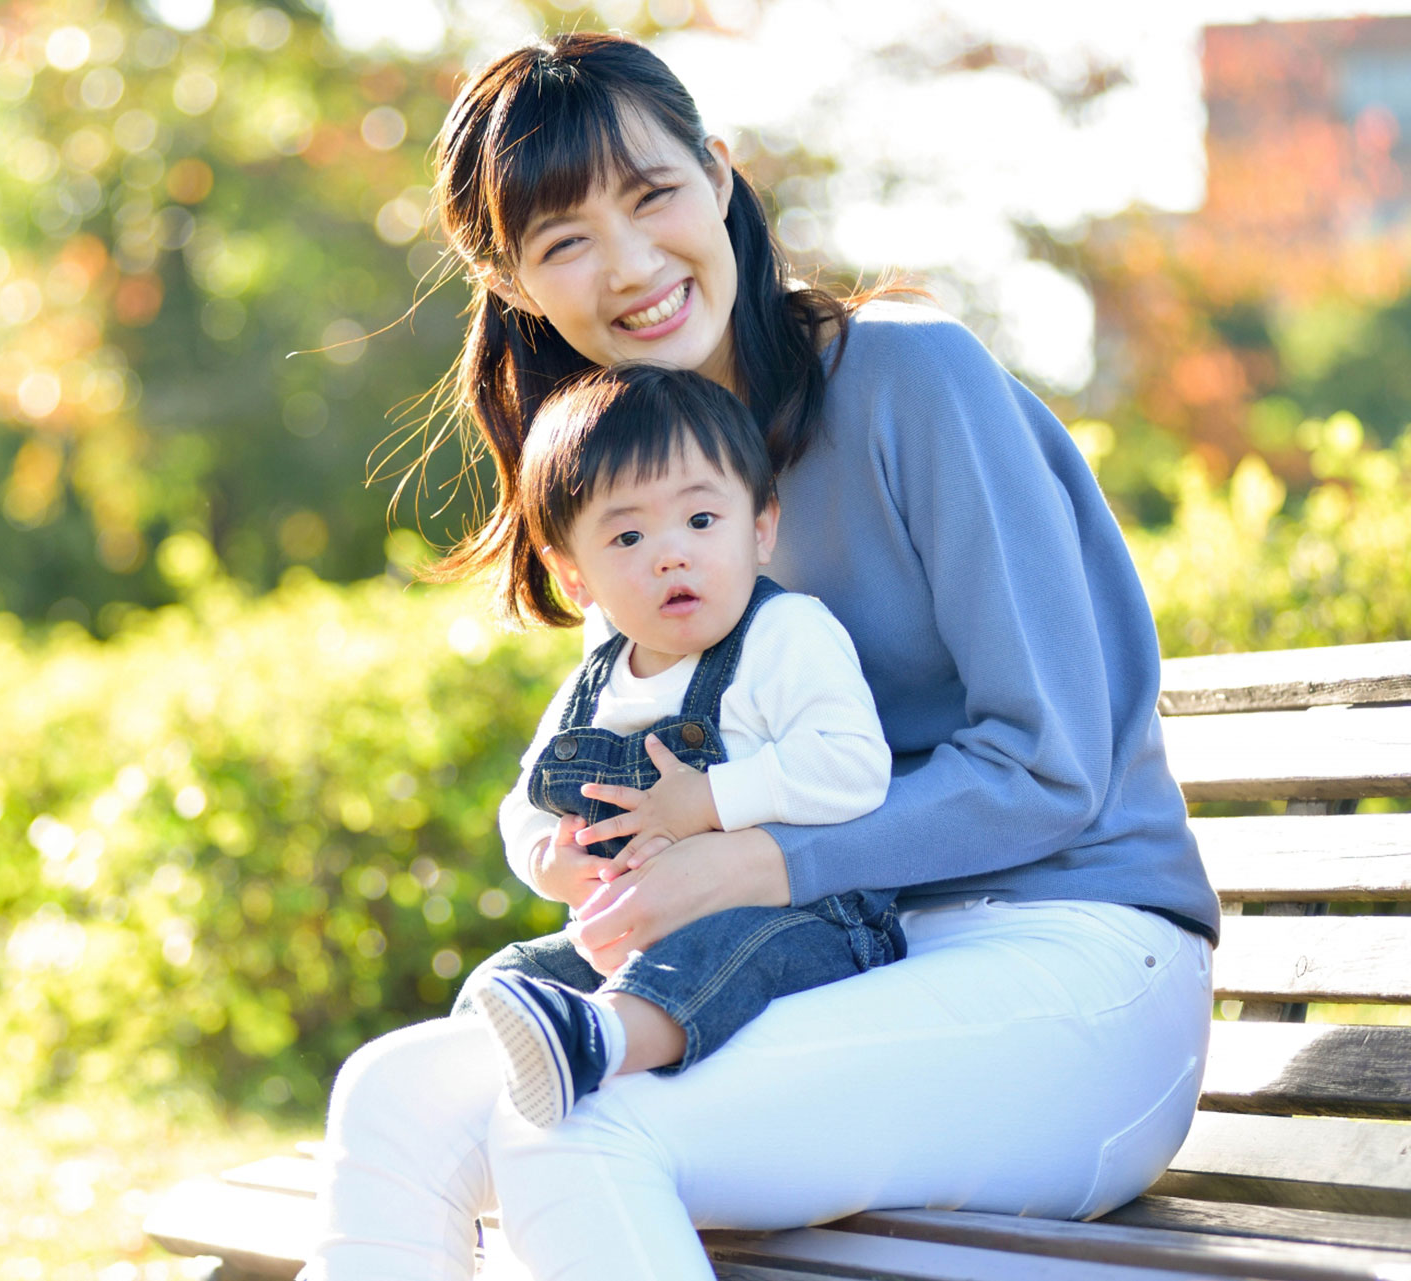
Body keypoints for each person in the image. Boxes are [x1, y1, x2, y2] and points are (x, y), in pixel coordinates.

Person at [303, 30, 1219, 1281]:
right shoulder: (626, 483)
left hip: (1073, 957)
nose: (630, 266)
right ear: (516, 286)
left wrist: (753, 861)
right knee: (392, 1095)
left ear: (720, 178)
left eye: (653, 194)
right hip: (822, 969)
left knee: (586, 1131)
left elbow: (1052, 766)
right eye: (565, 241)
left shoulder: (912, 379)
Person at [464, 362, 898, 1130]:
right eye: (628, 535)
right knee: (509, 976)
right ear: (575, 577)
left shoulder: (785, 634)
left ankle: (594, 1040)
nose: (672, 554)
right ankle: (463, 1117)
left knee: (721, 951)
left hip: (803, 920)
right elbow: (523, 801)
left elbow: (855, 765)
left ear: (760, 528)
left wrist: (708, 799)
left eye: (702, 521)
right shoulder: (594, 684)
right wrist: (549, 857)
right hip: (635, 934)